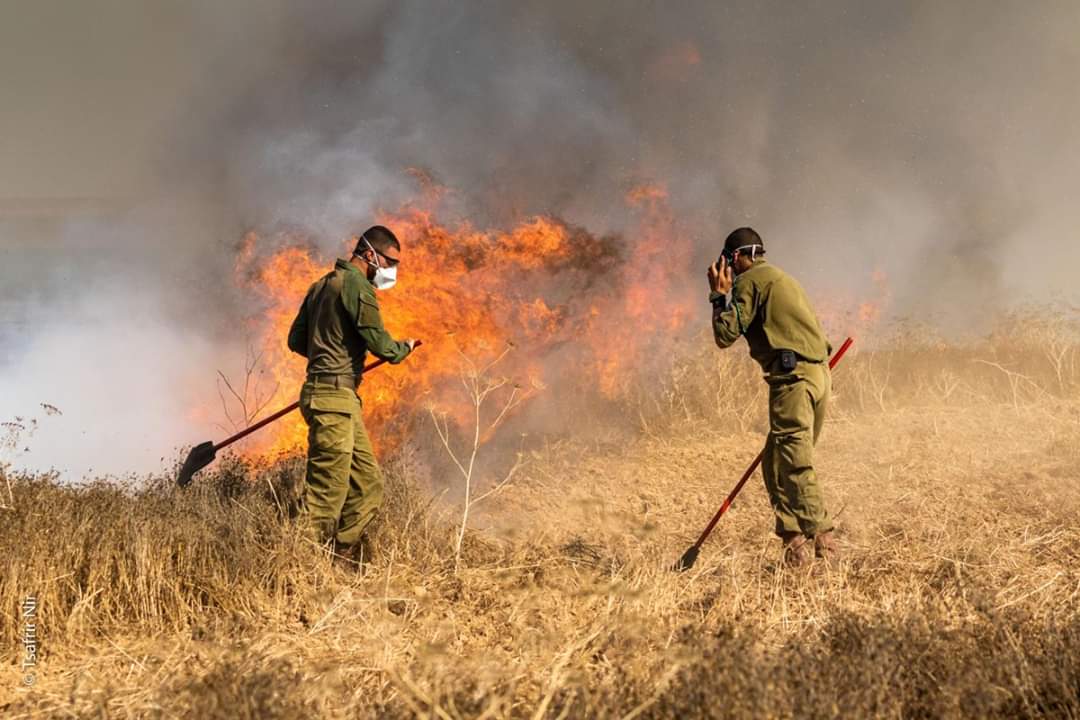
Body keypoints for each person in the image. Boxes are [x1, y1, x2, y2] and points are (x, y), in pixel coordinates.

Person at [707, 227, 838, 566]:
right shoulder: (783, 279)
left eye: (729, 262)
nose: (729, 269)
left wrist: (718, 296)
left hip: (792, 381)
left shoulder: (749, 282)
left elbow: (724, 335)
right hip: (818, 378)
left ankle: (825, 544)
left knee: (794, 464)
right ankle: (794, 547)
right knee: (777, 464)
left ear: (735, 258)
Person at [287, 225, 416, 562]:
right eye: (389, 261)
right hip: (333, 399)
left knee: (368, 485)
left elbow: (296, 341)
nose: (391, 271)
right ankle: (295, 568)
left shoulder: (321, 286)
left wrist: (331, 348)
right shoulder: (357, 286)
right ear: (369, 253)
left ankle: (342, 555)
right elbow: (380, 344)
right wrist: (403, 348)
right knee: (326, 492)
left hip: (332, 397)